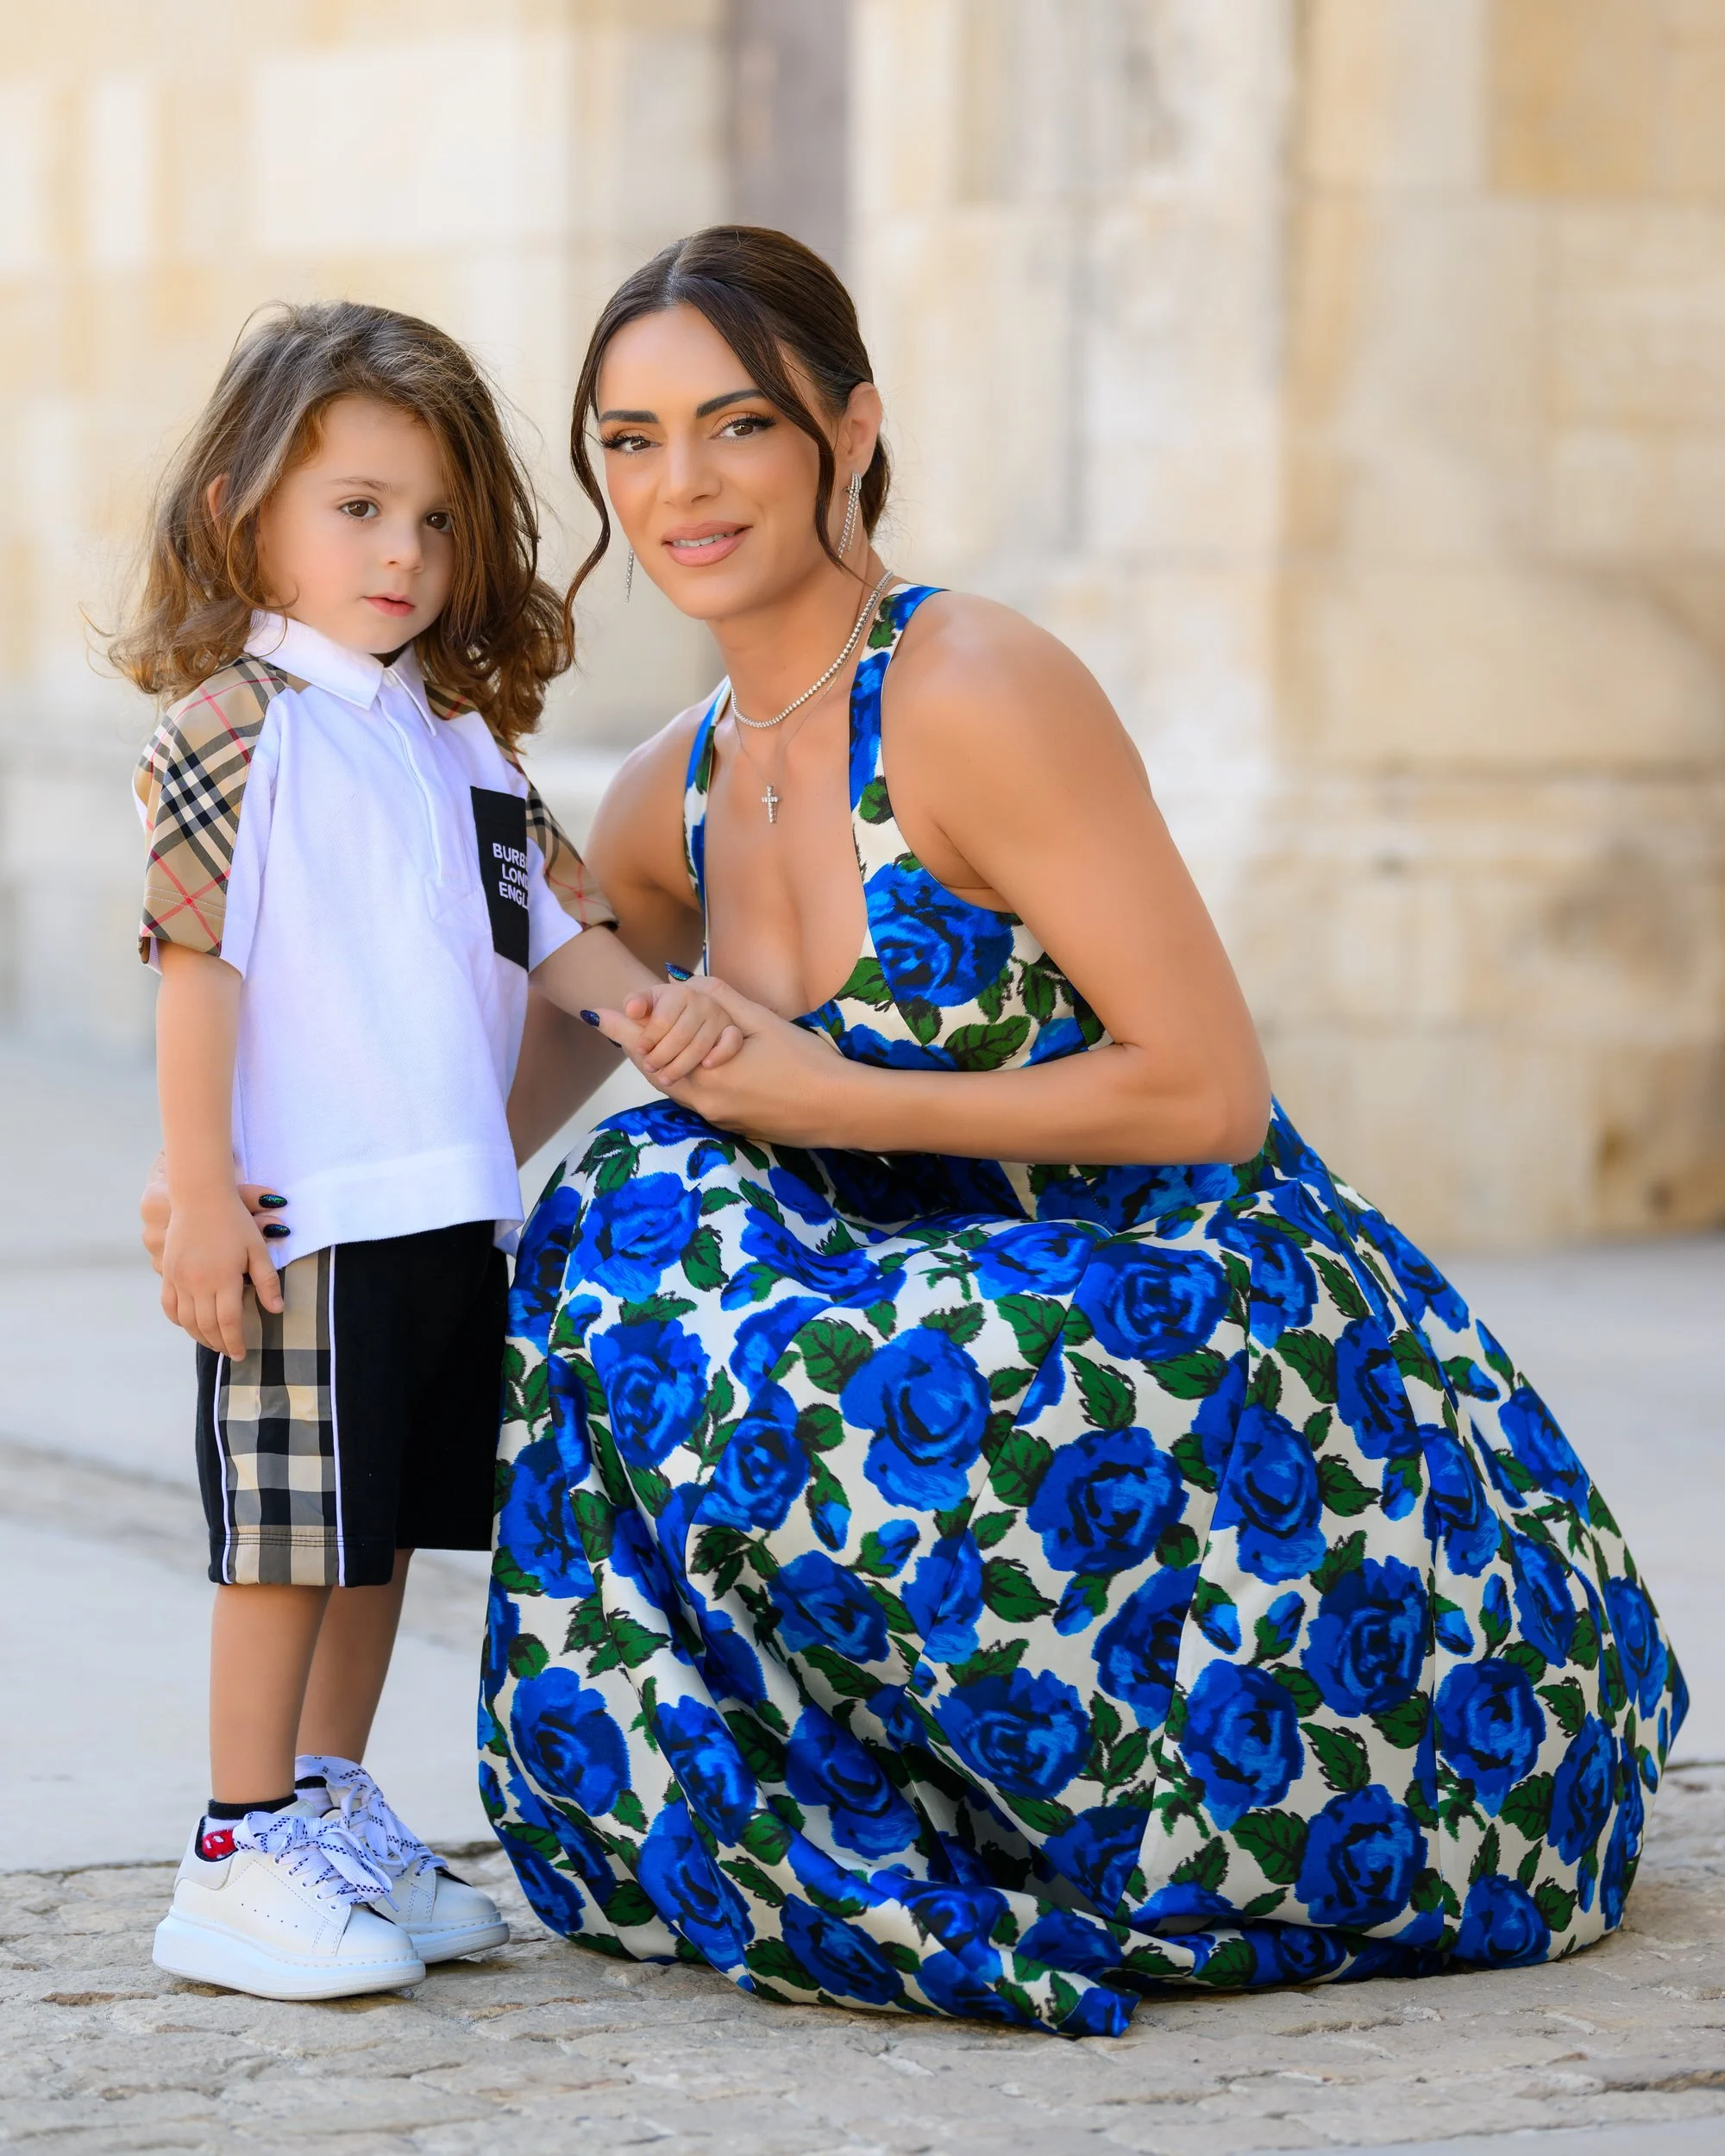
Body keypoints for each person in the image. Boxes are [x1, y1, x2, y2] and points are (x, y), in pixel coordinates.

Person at [480, 227, 1688, 2038]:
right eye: (630, 442)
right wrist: (276, 1196)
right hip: (938, 1352)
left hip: (1180, 1307)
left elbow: (1206, 1090)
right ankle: (874, 1798)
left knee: (762, 1271)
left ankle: (1151, 1795)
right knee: (627, 1207)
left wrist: (831, 1097)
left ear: (848, 431)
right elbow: (514, 1094)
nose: (682, 487)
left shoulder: (973, 687)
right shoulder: (671, 792)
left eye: (737, 426)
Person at [116, 300, 740, 2002]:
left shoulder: (457, 738)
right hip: (303, 1214)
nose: (404, 552)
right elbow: (194, 965)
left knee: (378, 1532)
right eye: (360, 508)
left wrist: (667, 1019)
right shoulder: (237, 726)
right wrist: (197, 1188)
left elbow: (563, 936)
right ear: (246, 510)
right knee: (287, 1539)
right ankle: (236, 1845)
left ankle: (324, 1800)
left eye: (439, 518)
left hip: (450, 1210)